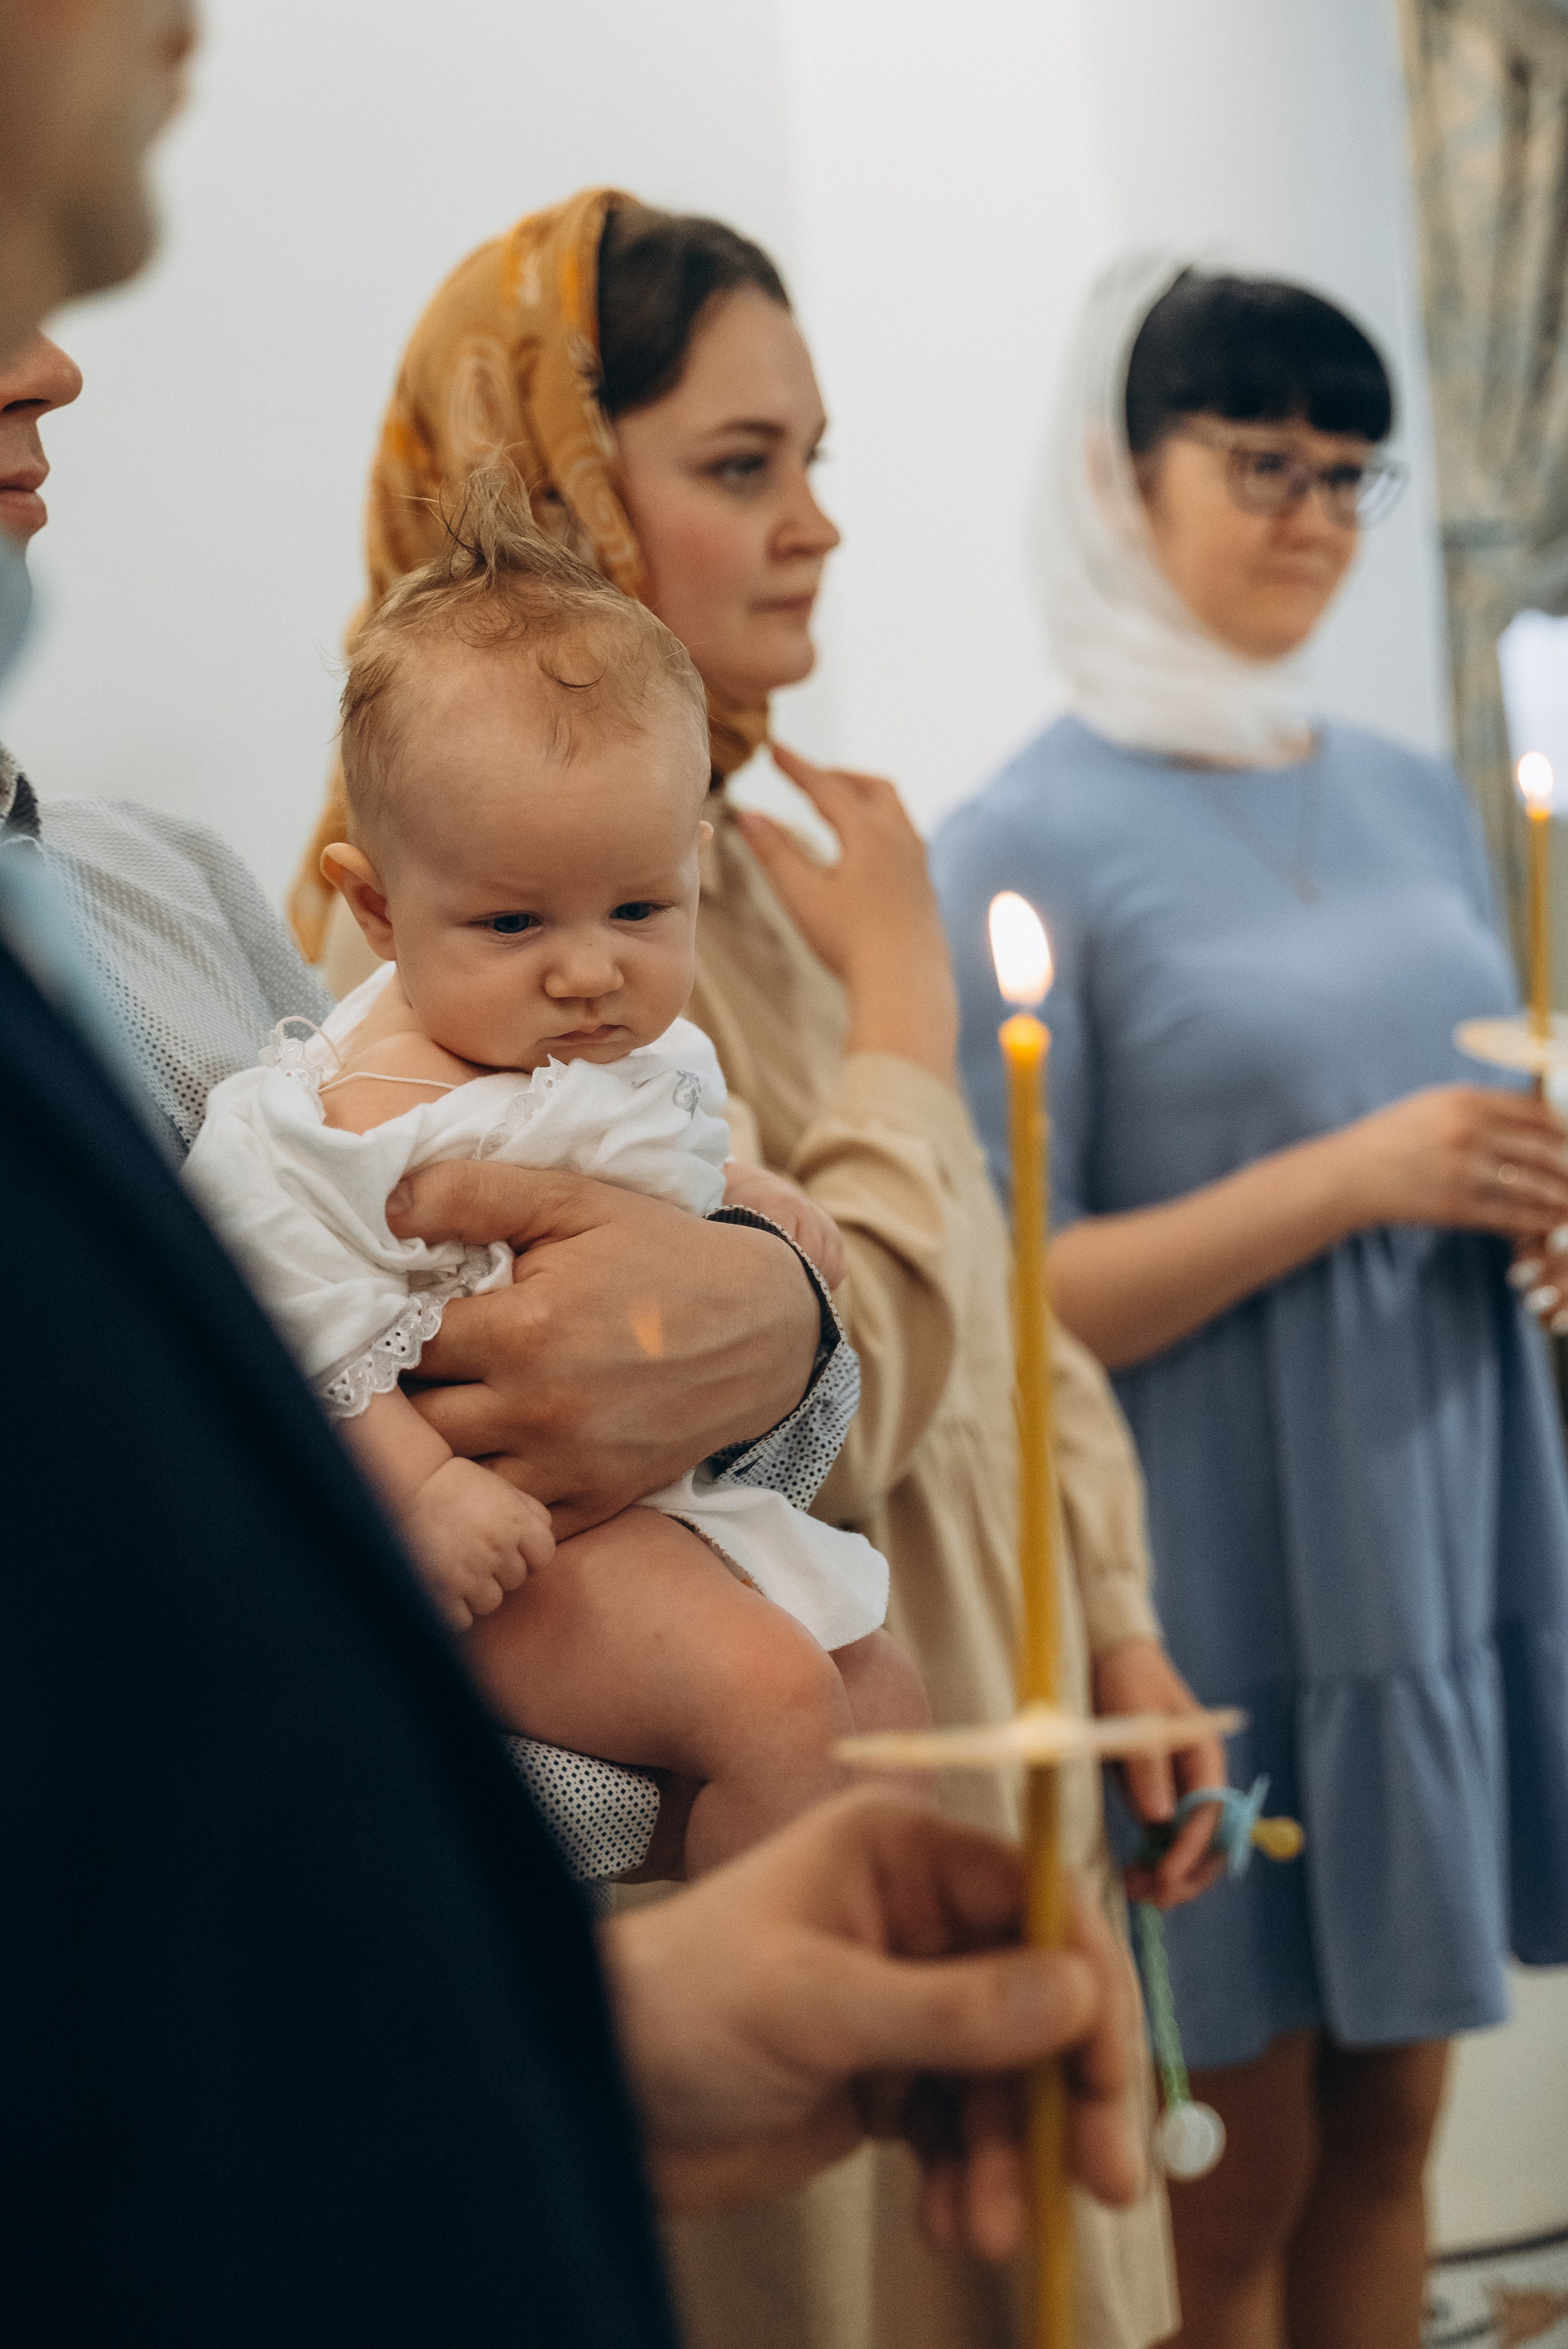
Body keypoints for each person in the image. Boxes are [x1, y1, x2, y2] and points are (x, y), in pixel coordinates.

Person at [0, 6, 1152, 2336]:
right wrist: (893, 1095)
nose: (59, 380)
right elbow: (359, 1509)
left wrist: (789, 1307)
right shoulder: (441, 921)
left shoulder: (177, 895)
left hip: (522, 2016)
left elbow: (785, 1377)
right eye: (744, 459)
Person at [290, 188, 1227, 2349]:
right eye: (741, 466)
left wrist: (1121, 1612)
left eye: (816, 460)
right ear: (543, 481)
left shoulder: (751, 860)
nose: (815, 525)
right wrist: (906, 1020)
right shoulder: (442, 950)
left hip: (949, 1687)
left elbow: (987, 1301)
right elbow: (713, 1379)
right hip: (734, 1813)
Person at [933, 255, 1568, 2349]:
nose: (1313, 513)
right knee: (1244, 2171)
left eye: (1352, 474)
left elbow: (1487, 1099)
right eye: (1264, 460)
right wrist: (1359, 1175)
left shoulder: (1400, 785)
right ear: (1129, 471)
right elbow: (1008, 1305)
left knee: (1399, 2121)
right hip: (1218, 1576)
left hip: (1437, 1529)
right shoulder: (1024, 834)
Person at [189, 487, 925, 1871]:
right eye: (515, 921)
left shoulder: (638, 1046)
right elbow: (280, 1333)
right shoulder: (337, 1120)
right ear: (375, 908)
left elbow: (660, 1165)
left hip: (651, 1502)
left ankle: (865, 2042)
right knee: (772, 1701)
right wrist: (417, 1491)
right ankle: (773, 2068)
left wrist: (751, 1206)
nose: (588, 969)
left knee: (883, 1695)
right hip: (486, 1545)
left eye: (638, 910)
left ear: (690, 870)